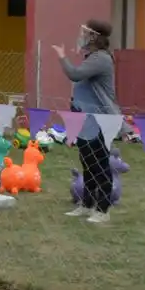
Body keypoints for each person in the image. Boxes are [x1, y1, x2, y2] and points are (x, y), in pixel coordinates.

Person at [53, 19, 121, 225]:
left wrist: (62, 57)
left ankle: (103, 210)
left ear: (94, 36)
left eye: (85, 32)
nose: (80, 35)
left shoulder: (101, 59)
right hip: (85, 118)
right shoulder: (92, 57)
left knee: (100, 164)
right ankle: (87, 204)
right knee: (87, 162)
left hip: (99, 119)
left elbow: (75, 75)